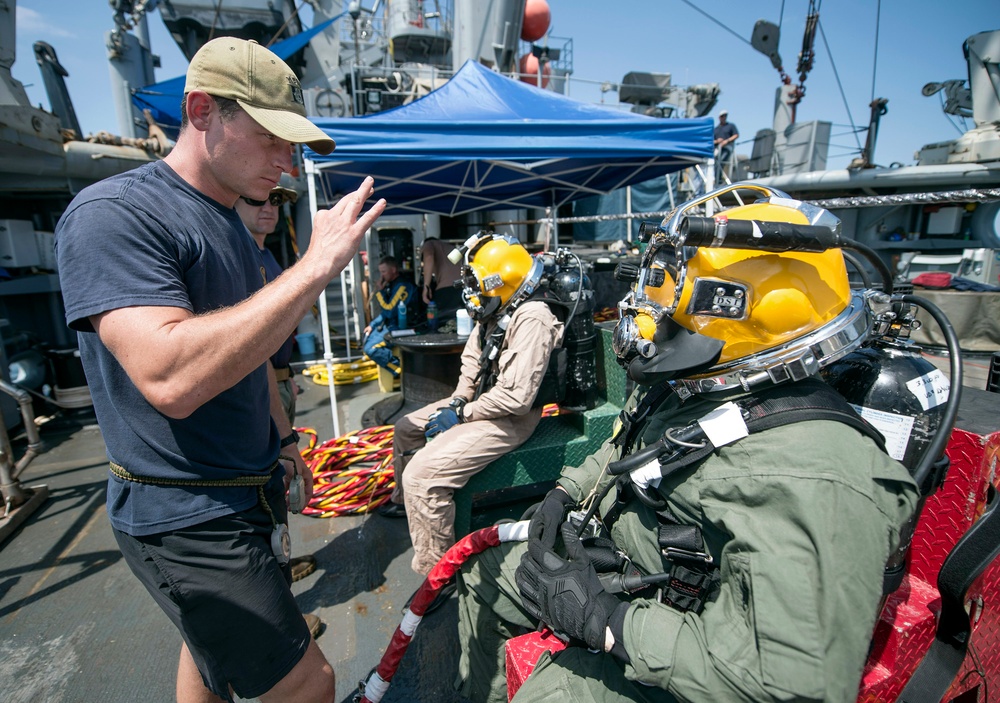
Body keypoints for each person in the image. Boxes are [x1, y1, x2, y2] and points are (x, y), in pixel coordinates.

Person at [454, 197, 920, 703]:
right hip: (619, 562)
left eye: (672, 293)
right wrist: (566, 493)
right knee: (483, 578)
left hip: (674, 632)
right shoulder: (696, 384)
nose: (646, 310)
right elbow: (630, 445)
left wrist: (610, 623)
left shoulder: (820, 481)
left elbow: (786, 684)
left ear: (748, 307)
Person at [54, 36, 385, 703]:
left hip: (244, 488)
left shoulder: (231, 221)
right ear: (202, 110)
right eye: (272, 139)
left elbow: (251, 348)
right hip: (186, 514)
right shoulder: (114, 217)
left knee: (208, 657)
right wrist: (314, 267)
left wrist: (285, 439)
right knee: (309, 684)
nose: (287, 163)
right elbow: (171, 377)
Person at [381, 233, 564, 582]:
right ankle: (407, 503)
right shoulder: (495, 309)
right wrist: (457, 401)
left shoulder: (533, 318)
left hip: (511, 419)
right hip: (480, 405)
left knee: (422, 476)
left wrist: (461, 415)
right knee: (406, 427)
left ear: (500, 279)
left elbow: (516, 399)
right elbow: (472, 364)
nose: (471, 291)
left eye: (476, 282)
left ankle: (437, 576)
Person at [235, 185, 319, 590]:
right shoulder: (239, 258)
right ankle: (278, 594)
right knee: (267, 487)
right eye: (256, 199)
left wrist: (288, 382)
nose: (268, 207)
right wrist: (284, 432)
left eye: (277, 201)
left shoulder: (265, 256)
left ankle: (280, 562)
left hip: (279, 385)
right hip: (259, 391)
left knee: (278, 489)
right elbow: (252, 349)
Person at [363, 255, 418, 377]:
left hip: (404, 327)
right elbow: (385, 313)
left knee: (371, 348)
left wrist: (380, 292)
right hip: (393, 325)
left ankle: (402, 371)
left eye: (384, 272)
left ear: (393, 270)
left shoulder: (403, 286)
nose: (381, 276)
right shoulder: (392, 284)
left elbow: (390, 310)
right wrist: (372, 325)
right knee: (366, 338)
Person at [419, 237, 464, 315]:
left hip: (447, 289)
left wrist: (426, 287)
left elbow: (429, 256)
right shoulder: (450, 248)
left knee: (439, 319)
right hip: (463, 288)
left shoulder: (429, 244)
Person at [713, 109, 739, 179]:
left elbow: (736, 135)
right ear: (719, 117)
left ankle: (718, 179)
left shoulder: (731, 126)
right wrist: (717, 141)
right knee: (713, 162)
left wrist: (726, 141)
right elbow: (711, 141)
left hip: (727, 148)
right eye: (722, 116)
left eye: (725, 116)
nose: (724, 117)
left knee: (720, 161)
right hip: (717, 149)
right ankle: (716, 178)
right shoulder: (716, 129)